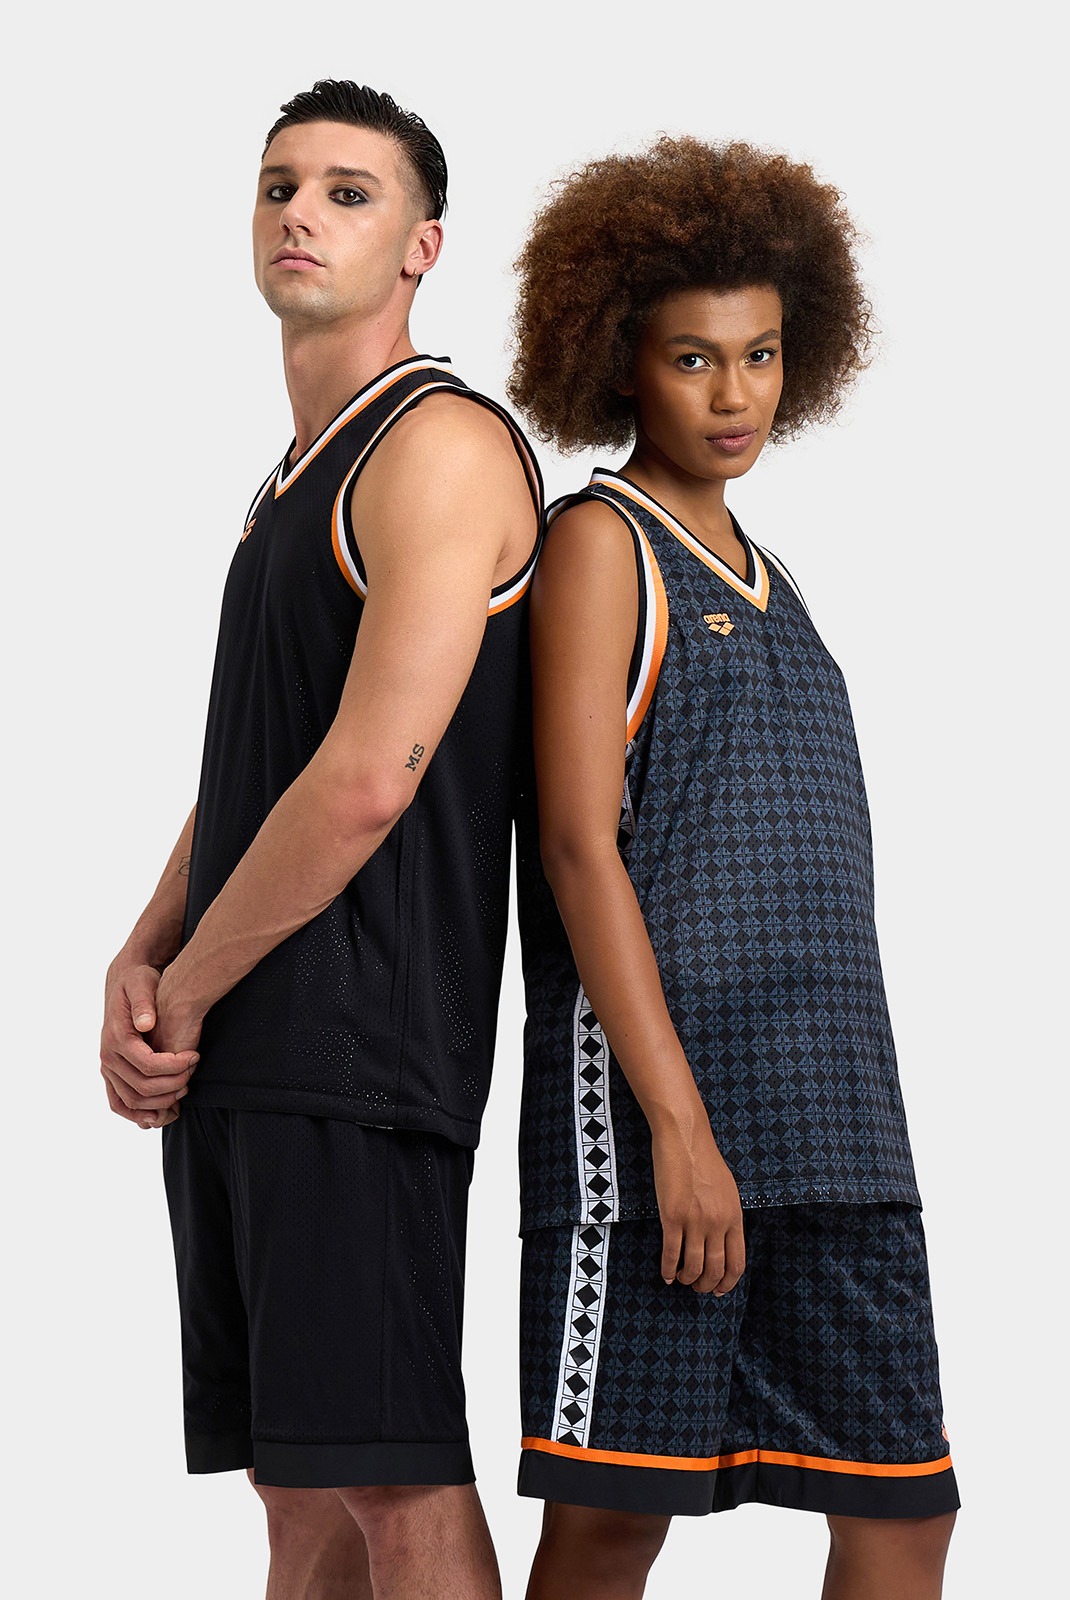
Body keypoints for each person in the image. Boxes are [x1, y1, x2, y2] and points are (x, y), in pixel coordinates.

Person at [99, 79, 541, 1600]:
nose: (300, 212)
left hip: (358, 1046)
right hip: (246, 1039)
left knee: (393, 1475)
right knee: (297, 1488)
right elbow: (260, 769)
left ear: (423, 246)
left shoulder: (438, 446)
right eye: (279, 184)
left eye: (349, 193)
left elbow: (365, 780)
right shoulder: (291, 479)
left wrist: (189, 988)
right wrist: (145, 952)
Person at [508, 137, 958, 1599]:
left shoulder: (775, 579)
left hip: (835, 1117)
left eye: (758, 356)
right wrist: (679, 1130)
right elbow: (576, 845)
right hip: (663, 1126)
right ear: (618, 362)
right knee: (612, 1519)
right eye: (692, 359)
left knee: (902, 1512)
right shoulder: (600, 543)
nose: (732, 394)